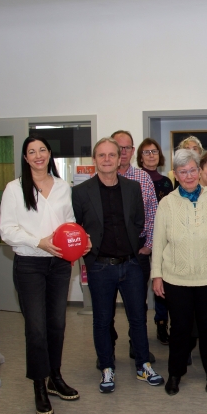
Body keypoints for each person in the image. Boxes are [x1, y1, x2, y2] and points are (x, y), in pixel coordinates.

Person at [0, 135, 84, 414]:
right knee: (36, 327)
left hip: (59, 266)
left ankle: (54, 378)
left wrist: (80, 241)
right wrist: (40, 242)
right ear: (25, 158)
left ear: (50, 154)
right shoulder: (14, 189)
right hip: (29, 266)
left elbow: (70, 222)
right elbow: (7, 230)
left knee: (57, 325)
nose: (38, 155)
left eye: (42, 150)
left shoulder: (63, 187)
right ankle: (38, 385)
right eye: (31, 151)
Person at [72, 137, 163, 394]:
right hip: (100, 266)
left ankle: (143, 364)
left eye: (112, 155)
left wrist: (138, 249)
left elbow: (139, 221)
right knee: (102, 320)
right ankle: (107, 367)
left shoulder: (132, 187)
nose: (108, 159)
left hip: (132, 264)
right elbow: (77, 229)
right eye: (102, 155)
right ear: (95, 160)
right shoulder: (80, 193)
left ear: (120, 157)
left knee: (138, 318)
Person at [152, 149, 207, 396]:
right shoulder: (167, 203)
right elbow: (158, 242)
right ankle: (175, 373)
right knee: (180, 329)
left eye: (192, 170)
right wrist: (157, 274)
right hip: (176, 278)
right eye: (182, 171)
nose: (188, 176)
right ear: (175, 174)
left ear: (199, 171)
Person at [110, 130, 158, 363]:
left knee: (138, 305)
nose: (123, 152)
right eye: (119, 147)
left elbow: (152, 214)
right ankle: (107, 349)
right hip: (106, 253)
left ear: (132, 151)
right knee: (105, 309)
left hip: (137, 250)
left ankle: (137, 346)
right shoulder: (99, 179)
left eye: (128, 147)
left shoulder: (142, 178)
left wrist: (148, 245)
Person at [137, 137, 174, 345]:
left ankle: (162, 323)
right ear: (140, 157)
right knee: (143, 284)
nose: (151, 155)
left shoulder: (167, 182)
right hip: (143, 239)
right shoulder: (135, 179)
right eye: (146, 152)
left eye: (154, 152)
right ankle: (138, 331)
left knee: (164, 281)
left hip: (165, 239)